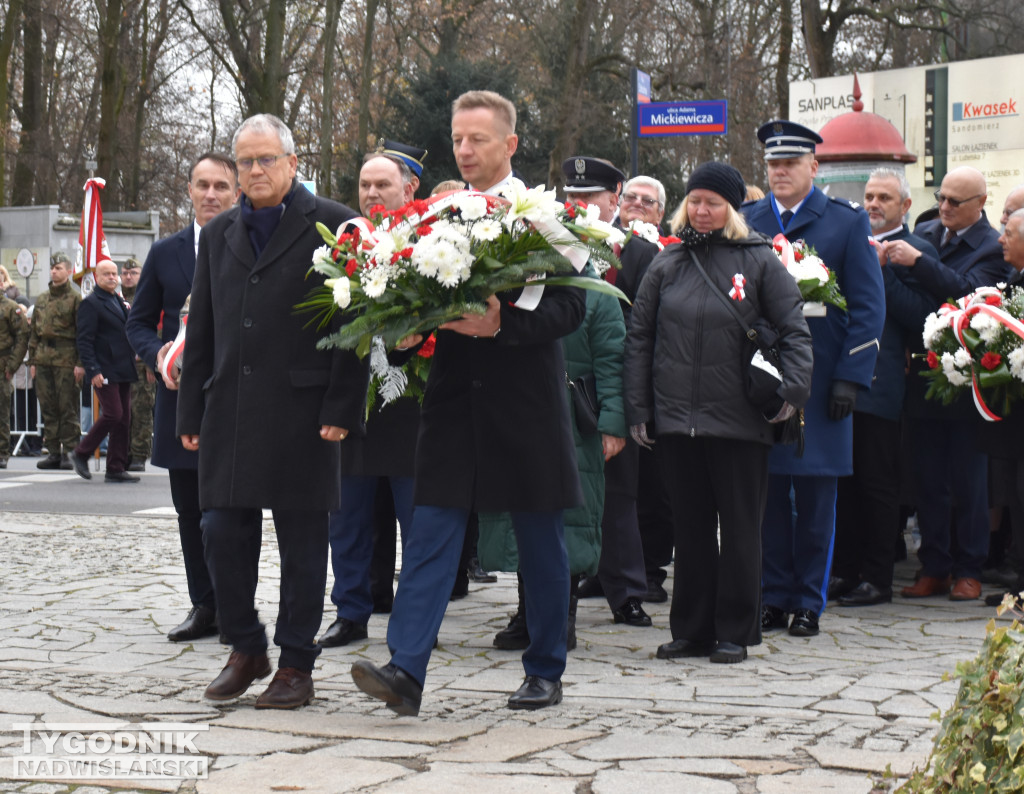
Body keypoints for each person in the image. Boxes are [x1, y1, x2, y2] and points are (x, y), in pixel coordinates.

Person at [350, 90, 585, 715]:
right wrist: (404, 338)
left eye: (477, 139)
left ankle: (545, 668)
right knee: (430, 534)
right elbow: (410, 302)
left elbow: (571, 308)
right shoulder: (434, 217)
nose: (464, 149)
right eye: (457, 139)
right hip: (453, 403)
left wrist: (502, 324)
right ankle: (406, 670)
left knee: (540, 541)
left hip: (525, 404)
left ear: (510, 143)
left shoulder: (544, 218)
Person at [177, 114, 366, 709]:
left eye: (266, 159)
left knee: (303, 545)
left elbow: (356, 324)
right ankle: (246, 645)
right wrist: (189, 411)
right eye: (245, 161)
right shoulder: (219, 232)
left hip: (306, 413)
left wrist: (343, 403)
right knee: (219, 531)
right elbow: (202, 327)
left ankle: (295, 665)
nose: (254, 170)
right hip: (230, 410)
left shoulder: (335, 224)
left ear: (291, 162)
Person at [626, 161, 812, 663]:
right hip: (676, 422)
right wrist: (639, 408)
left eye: (713, 202)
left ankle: (735, 630)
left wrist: (793, 391)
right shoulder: (667, 263)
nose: (702, 211)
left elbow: (794, 329)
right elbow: (640, 338)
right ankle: (691, 629)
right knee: (690, 531)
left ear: (732, 209)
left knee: (741, 529)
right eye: (695, 201)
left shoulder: (760, 260)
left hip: (740, 421)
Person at [481, 155, 636, 652]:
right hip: (525, 412)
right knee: (523, 517)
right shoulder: (523, 276)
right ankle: (528, 611)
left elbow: (613, 357)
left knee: (568, 520)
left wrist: (613, 423)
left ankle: (560, 615)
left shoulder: (593, 286)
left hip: (577, 420)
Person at [743, 120, 885, 637]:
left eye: (790, 163)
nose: (779, 172)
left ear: (813, 167)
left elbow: (869, 307)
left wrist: (851, 376)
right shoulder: (749, 220)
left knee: (817, 499)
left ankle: (808, 601)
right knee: (769, 495)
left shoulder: (845, 222)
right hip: (762, 380)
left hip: (824, 383)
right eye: (773, 164)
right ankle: (773, 594)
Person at [126, 151, 241, 642]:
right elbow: (137, 321)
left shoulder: (250, 245)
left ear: (236, 192)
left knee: (230, 514)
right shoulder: (164, 252)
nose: (211, 194)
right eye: (202, 185)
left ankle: (236, 606)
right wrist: (157, 355)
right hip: (181, 403)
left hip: (238, 400)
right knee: (191, 513)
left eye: (221, 185)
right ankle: (205, 605)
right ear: (189, 190)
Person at [886, 166, 1013, 601]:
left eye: (954, 202)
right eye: (940, 197)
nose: (943, 207)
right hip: (923, 376)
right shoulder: (925, 233)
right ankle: (934, 564)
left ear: (980, 203)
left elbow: (968, 295)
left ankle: (969, 567)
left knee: (968, 482)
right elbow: (914, 303)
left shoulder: (991, 246)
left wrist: (919, 262)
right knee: (926, 478)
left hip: (966, 384)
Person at [319, 141, 426, 649]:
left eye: (383, 184)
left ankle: (416, 618)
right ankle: (350, 611)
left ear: (410, 188)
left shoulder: (431, 239)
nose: (372, 193)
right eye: (365, 184)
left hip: (413, 405)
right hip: (354, 404)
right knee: (348, 521)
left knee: (419, 523)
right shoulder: (345, 242)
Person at [831, 169, 938, 606]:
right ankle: (845, 570)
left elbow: (923, 318)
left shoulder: (916, 252)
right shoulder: (849, 239)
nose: (873, 204)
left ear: (906, 206)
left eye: (884, 198)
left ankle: (877, 577)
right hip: (842, 376)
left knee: (877, 484)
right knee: (843, 482)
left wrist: (884, 274)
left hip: (884, 382)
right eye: (869, 196)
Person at [559, 156, 651, 627]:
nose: (578, 204)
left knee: (617, 495)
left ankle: (626, 590)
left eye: (589, 196)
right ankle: (565, 588)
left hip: (615, 386)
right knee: (565, 492)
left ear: (615, 198)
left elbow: (648, 324)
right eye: (571, 196)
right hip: (563, 386)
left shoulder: (638, 251)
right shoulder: (550, 243)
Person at [610, 173, 674, 605]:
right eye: (629, 197)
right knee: (615, 484)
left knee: (652, 484)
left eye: (646, 201)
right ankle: (611, 570)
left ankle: (650, 569)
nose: (635, 203)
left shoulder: (670, 252)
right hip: (608, 378)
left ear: (661, 212)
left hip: (653, 380)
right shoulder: (603, 242)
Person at [983, 209, 1024, 609]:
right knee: (1016, 497)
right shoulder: (1014, 280)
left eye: (1008, 233)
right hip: (1014, 419)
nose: (1000, 240)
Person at [69, 259, 139, 483]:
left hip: (123, 366)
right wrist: (92, 369)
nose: (111, 277)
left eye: (114, 273)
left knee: (124, 418)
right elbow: (84, 340)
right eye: (106, 274)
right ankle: (81, 453)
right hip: (104, 368)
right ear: (97, 278)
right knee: (113, 413)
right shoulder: (91, 303)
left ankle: (115, 467)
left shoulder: (118, 300)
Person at [29, 253, 85, 470]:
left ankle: (70, 452)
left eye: (59, 268)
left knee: (67, 407)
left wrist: (80, 363)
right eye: (52, 268)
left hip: (66, 358)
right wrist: (33, 360)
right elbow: (34, 332)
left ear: (69, 271)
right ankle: (53, 451)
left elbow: (82, 333)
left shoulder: (75, 299)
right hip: (43, 358)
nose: (54, 271)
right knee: (48, 407)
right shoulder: (42, 299)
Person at [119, 258, 155, 471]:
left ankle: (139, 454)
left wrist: (152, 362)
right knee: (123, 412)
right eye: (125, 273)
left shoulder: (147, 297)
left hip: (141, 365)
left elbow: (156, 329)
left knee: (141, 410)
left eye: (133, 273)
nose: (128, 277)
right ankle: (124, 453)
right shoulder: (115, 298)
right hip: (120, 363)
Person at [0, 292, 30, 468]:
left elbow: (22, 337)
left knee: (2, 412)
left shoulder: (10, 307)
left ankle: (1, 452)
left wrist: (12, 365)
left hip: (2, 364)